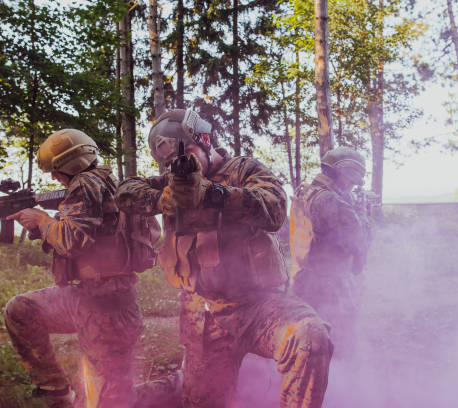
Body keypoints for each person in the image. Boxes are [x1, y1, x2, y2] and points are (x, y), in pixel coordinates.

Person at [116, 109, 333, 408]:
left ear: (204, 139)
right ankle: (176, 385)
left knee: (310, 337)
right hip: (204, 314)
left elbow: (274, 208)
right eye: (168, 163)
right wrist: (163, 199)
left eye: (188, 152)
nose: (181, 165)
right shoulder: (171, 181)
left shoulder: (243, 169)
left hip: (259, 306)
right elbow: (125, 192)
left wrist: (214, 195)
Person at [0, 129, 145, 408]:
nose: (54, 177)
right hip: (85, 300)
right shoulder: (100, 181)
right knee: (21, 310)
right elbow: (80, 233)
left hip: (108, 312)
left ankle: (175, 387)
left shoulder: (85, 184)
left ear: (70, 164)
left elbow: (72, 240)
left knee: (107, 401)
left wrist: (41, 220)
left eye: (56, 170)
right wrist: (14, 214)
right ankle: (55, 391)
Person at [289, 146, 371, 354]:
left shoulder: (305, 192)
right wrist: (361, 212)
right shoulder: (331, 200)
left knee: (307, 344)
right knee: (339, 345)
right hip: (330, 288)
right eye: (351, 180)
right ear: (339, 174)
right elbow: (358, 241)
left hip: (302, 280)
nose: (352, 186)